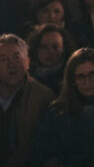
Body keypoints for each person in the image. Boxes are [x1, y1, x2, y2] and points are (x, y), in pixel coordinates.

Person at [29, 47, 94, 167]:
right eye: (80, 77)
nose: (87, 82)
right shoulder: (57, 112)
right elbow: (41, 150)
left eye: (93, 74)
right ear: (72, 80)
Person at [0, 33, 55, 166]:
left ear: (28, 62)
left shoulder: (43, 97)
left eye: (16, 57)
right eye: (3, 59)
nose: (11, 64)